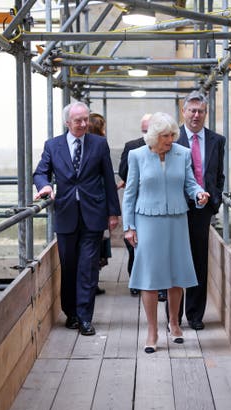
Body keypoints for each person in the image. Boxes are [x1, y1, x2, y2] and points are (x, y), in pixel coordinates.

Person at [122, 112, 210, 353]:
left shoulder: (182, 154)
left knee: (176, 274)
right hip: (147, 221)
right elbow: (129, 193)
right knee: (148, 278)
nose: (170, 139)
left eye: (172, 135)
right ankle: (152, 331)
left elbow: (190, 184)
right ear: (153, 136)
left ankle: (174, 322)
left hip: (177, 219)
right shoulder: (137, 155)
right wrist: (128, 227)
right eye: (165, 136)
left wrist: (199, 195)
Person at [33, 101, 121, 336]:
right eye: (78, 121)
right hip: (66, 214)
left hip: (93, 214)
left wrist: (114, 213)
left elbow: (107, 180)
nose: (83, 124)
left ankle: (84, 318)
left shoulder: (99, 144)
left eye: (85, 120)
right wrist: (44, 187)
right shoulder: (53, 146)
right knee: (69, 265)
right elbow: (41, 172)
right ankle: (70, 312)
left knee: (88, 267)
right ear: (67, 123)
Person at [175, 90, 226, 331]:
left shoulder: (217, 140)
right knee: (175, 261)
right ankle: (173, 317)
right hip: (175, 209)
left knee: (198, 262)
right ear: (183, 112)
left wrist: (214, 202)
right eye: (192, 110)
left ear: (206, 114)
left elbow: (218, 175)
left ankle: (195, 315)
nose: (196, 115)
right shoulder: (172, 140)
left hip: (202, 210)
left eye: (201, 111)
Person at [117, 113, 150, 297]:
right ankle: (135, 281)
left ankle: (158, 287)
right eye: (144, 130)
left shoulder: (165, 147)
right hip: (137, 200)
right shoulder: (132, 147)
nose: (147, 134)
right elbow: (123, 170)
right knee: (134, 245)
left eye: (149, 130)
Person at [88, 112, 110, 295]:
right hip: (98, 206)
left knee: (95, 246)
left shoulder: (96, 145)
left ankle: (91, 283)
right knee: (97, 246)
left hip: (97, 205)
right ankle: (92, 282)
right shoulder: (100, 145)